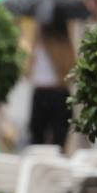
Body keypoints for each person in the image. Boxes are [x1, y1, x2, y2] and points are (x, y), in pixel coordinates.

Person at [26, 17, 76, 147]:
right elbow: (28, 72)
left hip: (56, 93)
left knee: (53, 139)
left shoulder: (61, 46)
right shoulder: (37, 46)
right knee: (39, 140)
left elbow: (71, 72)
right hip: (45, 93)